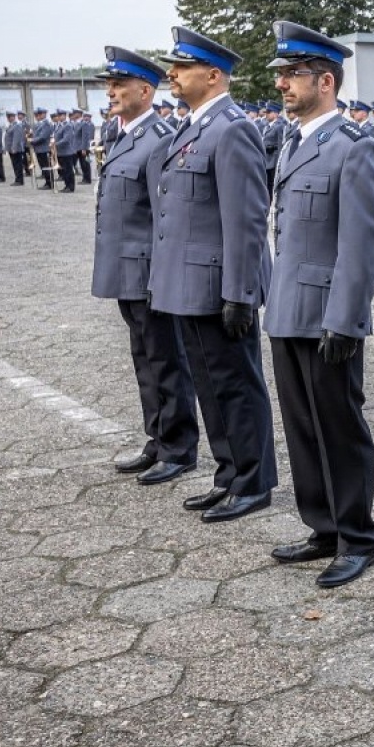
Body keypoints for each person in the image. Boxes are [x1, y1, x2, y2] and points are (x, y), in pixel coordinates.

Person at [262, 22, 374, 587]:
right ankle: (323, 527)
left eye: (293, 75)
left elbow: (363, 244)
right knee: (301, 427)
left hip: (327, 317)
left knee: (338, 427)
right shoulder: (296, 141)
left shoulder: (353, 148)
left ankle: (358, 536)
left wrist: (346, 318)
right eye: (282, 75)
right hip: (288, 309)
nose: (283, 84)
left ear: (326, 81)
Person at [150, 26, 278, 522]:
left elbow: (246, 217)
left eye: (180, 68)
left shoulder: (232, 127)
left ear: (213, 74)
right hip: (189, 284)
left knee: (237, 385)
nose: (171, 75)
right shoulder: (191, 125)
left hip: (219, 284)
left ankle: (253, 481)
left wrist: (241, 292)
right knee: (209, 384)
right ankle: (229, 472)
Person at [91, 47, 200, 486]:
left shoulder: (157, 139)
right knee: (145, 359)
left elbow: (165, 218)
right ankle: (157, 439)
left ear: (144, 89)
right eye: (109, 85)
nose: (111, 92)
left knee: (166, 360)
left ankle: (178, 448)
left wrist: (163, 276)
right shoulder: (124, 134)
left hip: (150, 273)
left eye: (118, 85)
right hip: (127, 273)